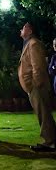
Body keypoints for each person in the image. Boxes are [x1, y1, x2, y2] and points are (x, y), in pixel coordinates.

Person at [19, 22, 56, 152]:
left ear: (29, 31)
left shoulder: (34, 44)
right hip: (34, 86)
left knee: (44, 113)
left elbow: (38, 67)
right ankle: (50, 140)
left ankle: (50, 142)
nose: (21, 30)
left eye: (23, 28)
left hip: (37, 86)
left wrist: (35, 84)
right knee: (43, 113)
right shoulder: (29, 43)